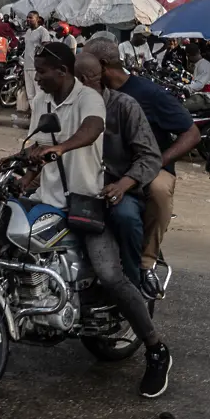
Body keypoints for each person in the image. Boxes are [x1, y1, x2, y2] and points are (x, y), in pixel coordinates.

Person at [23, 42, 171, 398]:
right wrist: (25, 169)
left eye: (85, 78)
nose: (81, 84)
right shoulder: (45, 102)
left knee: (113, 265)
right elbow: (39, 146)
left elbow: (101, 136)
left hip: (98, 197)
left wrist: (124, 183)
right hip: (57, 198)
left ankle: (154, 342)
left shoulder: (114, 105)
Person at [87, 36, 200, 296]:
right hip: (108, 167)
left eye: (87, 66)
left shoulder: (148, 94)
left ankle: (147, 262)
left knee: (158, 191)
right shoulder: (91, 94)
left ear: (102, 65)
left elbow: (192, 134)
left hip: (149, 165)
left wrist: (159, 161)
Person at [74, 50, 161, 286]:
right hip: (80, 188)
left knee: (125, 218)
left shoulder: (124, 106)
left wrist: (123, 185)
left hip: (118, 189)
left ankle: (134, 285)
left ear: (82, 80)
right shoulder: (70, 108)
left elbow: (150, 156)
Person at [21, 11, 52, 107]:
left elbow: (46, 48)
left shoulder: (43, 31)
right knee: (30, 94)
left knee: (39, 94)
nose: (28, 19)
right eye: (27, 17)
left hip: (36, 68)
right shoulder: (28, 31)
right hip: (27, 66)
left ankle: (40, 112)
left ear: (37, 19)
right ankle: (33, 112)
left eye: (31, 17)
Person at [182, 44, 210, 112]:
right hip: (201, 95)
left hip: (206, 98)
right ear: (199, 51)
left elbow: (199, 84)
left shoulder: (204, 65)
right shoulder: (199, 64)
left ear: (188, 55)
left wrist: (186, 87)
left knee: (180, 107)